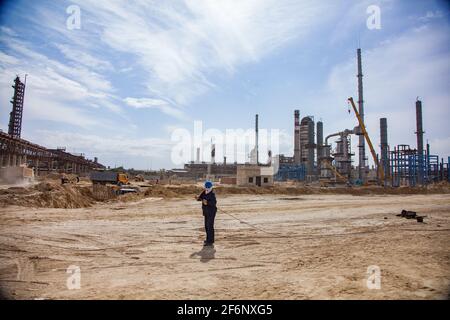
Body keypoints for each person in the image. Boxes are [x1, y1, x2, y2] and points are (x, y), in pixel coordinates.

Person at [196, 181, 217, 246]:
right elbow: (200, 198)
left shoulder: (212, 194)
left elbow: (214, 203)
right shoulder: (204, 192)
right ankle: (208, 239)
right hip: (206, 212)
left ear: (211, 187)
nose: (207, 189)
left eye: (208, 188)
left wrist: (207, 203)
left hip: (211, 212)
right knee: (206, 226)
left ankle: (210, 241)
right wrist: (197, 198)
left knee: (210, 226)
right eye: (206, 187)